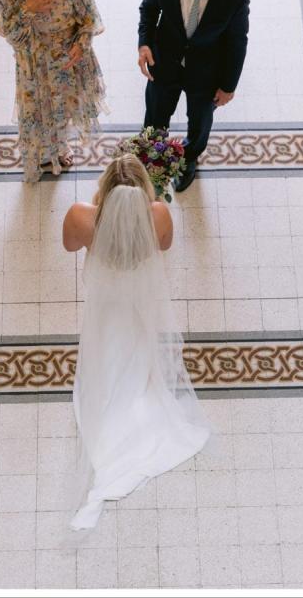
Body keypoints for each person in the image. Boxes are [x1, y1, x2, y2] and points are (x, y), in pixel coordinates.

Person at [62, 154, 211, 530]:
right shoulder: (158, 214)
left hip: (105, 299)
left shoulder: (82, 216)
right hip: (137, 297)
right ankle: (136, 390)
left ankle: (108, 396)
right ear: (144, 187)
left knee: (104, 344)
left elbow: (68, 246)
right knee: (135, 345)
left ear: (106, 187)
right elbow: (163, 247)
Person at [0, 0, 107, 182]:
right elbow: (9, 32)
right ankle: (40, 151)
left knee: (63, 107)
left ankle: (60, 147)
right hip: (33, 59)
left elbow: (89, 17)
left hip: (70, 56)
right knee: (35, 109)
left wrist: (81, 44)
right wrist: (27, 9)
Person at [137, 0, 250, 193]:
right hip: (165, 61)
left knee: (199, 122)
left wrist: (228, 86)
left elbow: (237, 44)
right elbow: (149, 8)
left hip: (206, 72)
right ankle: (152, 157)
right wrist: (144, 43)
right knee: (155, 115)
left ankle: (189, 158)